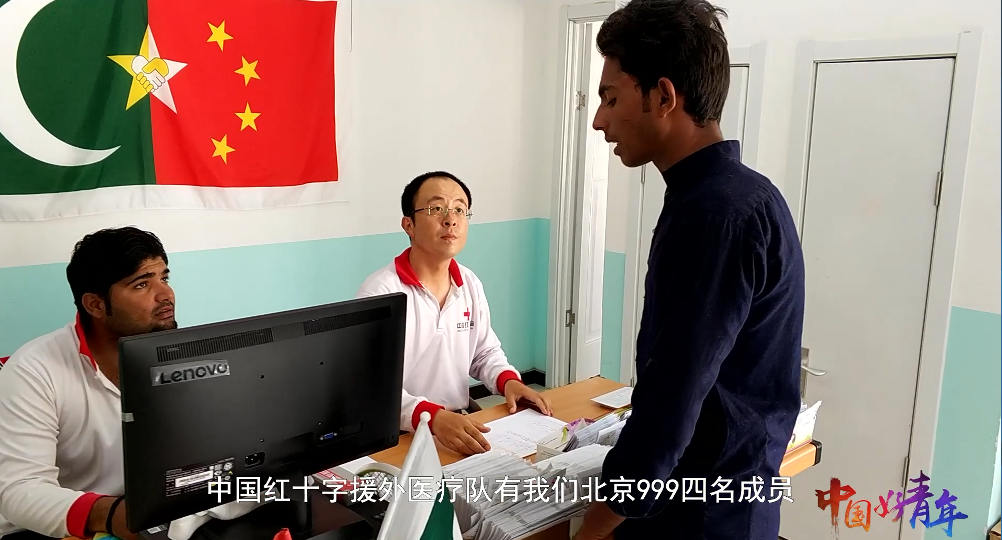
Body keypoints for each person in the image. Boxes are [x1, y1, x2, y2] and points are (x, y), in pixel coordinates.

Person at [574, 1, 805, 538]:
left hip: (700, 513)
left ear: (663, 97)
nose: (599, 120)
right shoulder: (746, 195)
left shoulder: (713, 216)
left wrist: (596, 526)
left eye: (611, 98)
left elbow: (672, 400)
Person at [357, 171, 553, 456]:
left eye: (460, 210)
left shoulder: (469, 283)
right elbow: (371, 386)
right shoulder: (381, 292)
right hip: (399, 434)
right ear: (409, 225)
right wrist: (433, 417)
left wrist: (509, 381)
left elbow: (484, 352)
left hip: (457, 423)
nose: (451, 219)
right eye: (436, 208)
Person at [0, 227, 177, 540]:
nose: (165, 295)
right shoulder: (33, 370)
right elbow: (19, 491)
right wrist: (112, 515)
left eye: (164, 277)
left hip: (147, 512)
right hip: (51, 528)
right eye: (142, 284)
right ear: (96, 305)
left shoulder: (178, 352)